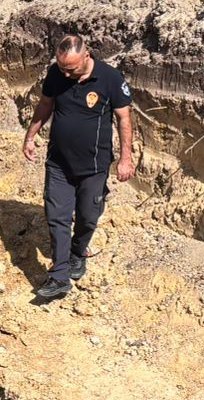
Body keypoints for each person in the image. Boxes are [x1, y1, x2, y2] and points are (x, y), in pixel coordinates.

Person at [23, 34, 135, 303]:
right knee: (57, 216)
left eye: (70, 68)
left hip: (94, 166)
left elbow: (123, 118)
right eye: (62, 67)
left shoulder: (110, 79)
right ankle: (59, 275)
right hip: (59, 162)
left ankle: (78, 252)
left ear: (87, 56)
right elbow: (45, 105)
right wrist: (30, 136)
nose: (66, 73)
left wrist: (125, 158)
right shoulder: (56, 74)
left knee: (87, 216)